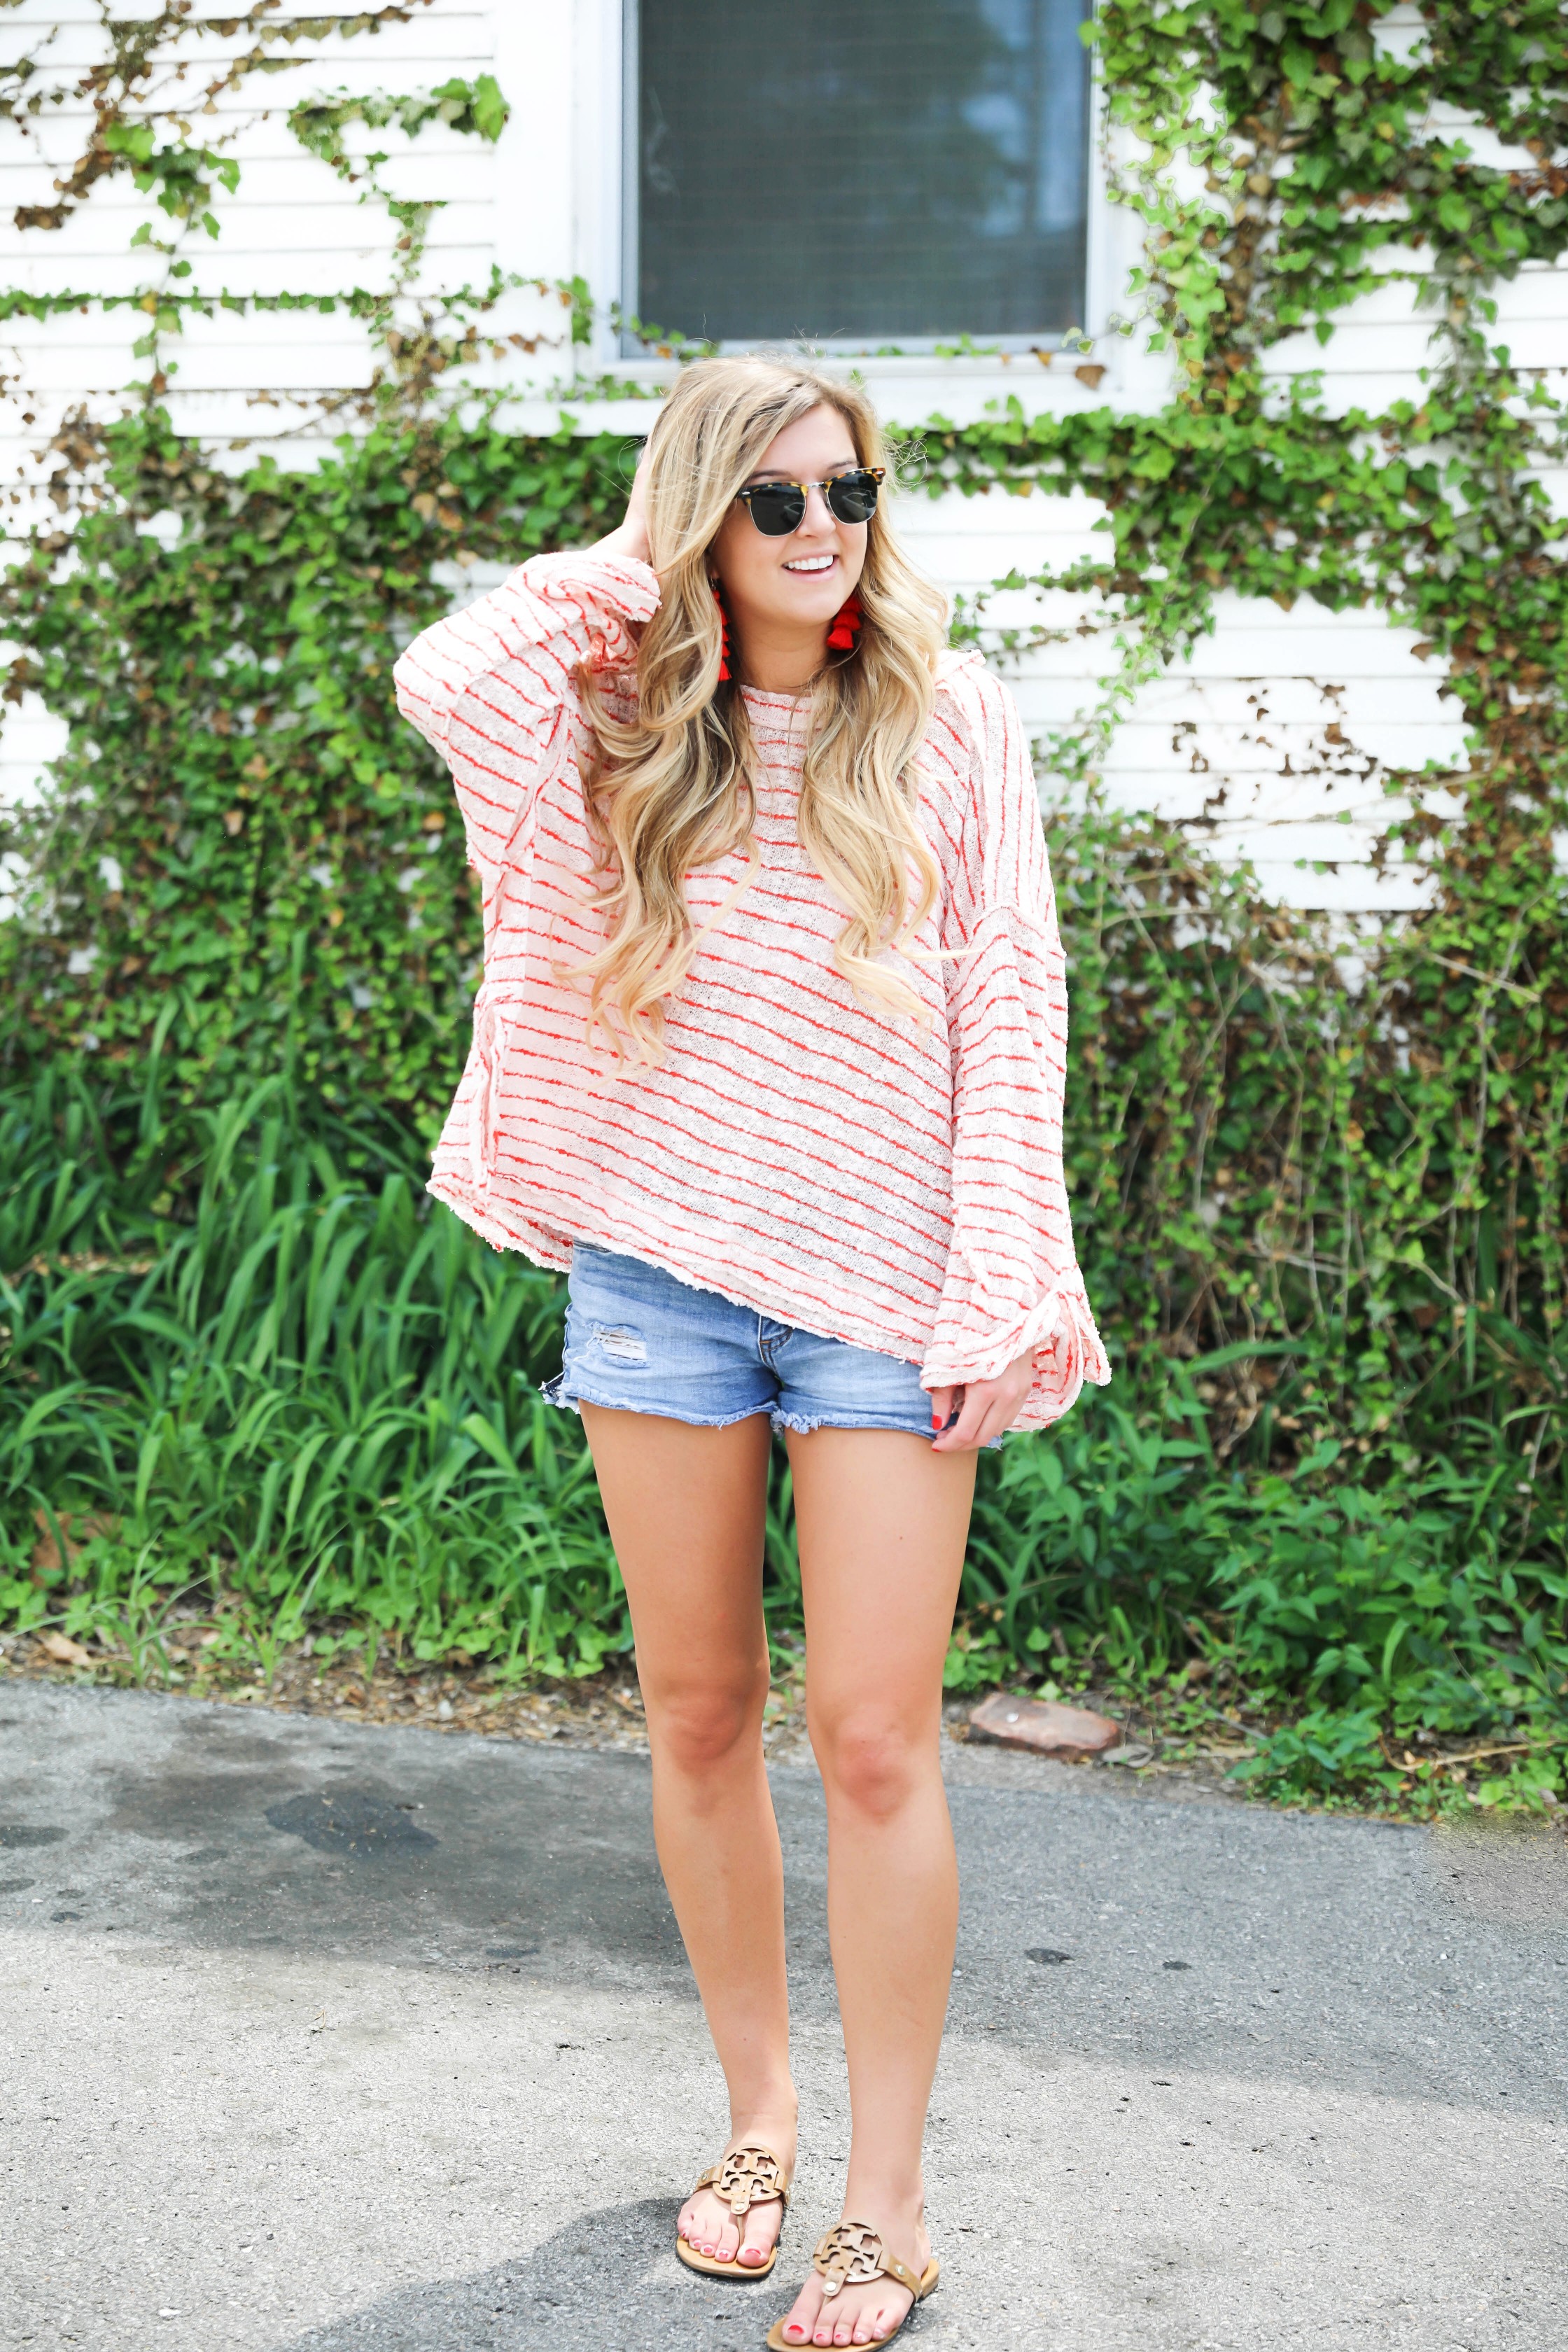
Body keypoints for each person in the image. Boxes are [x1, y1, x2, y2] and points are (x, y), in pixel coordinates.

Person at [394, 356, 1107, 2349]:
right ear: (704, 518)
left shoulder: (950, 724)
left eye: (851, 494)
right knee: (698, 1718)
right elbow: (448, 676)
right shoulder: (614, 725)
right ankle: (760, 2125)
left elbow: (1014, 1014)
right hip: (657, 1279)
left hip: (887, 1291)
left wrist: (1006, 1283)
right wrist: (633, 561)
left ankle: (886, 2210)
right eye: (774, 500)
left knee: (873, 1740)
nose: (820, 533)